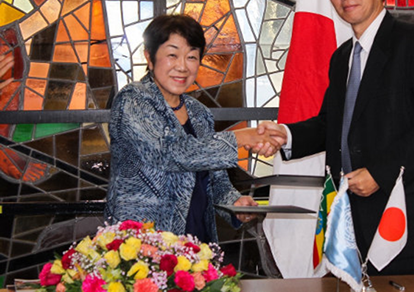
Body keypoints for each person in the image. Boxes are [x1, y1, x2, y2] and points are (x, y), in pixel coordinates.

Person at [259, 0, 414, 275]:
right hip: (348, 217)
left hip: (403, 217)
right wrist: (287, 134)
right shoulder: (341, 57)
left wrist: (381, 173)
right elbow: (331, 125)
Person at [105, 14, 283, 242]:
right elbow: (171, 154)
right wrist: (240, 137)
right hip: (144, 244)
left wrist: (235, 202)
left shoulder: (199, 113)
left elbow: (215, 179)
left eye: (191, 57)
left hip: (198, 241)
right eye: (172, 55)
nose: (182, 66)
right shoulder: (133, 100)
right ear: (149, 57)